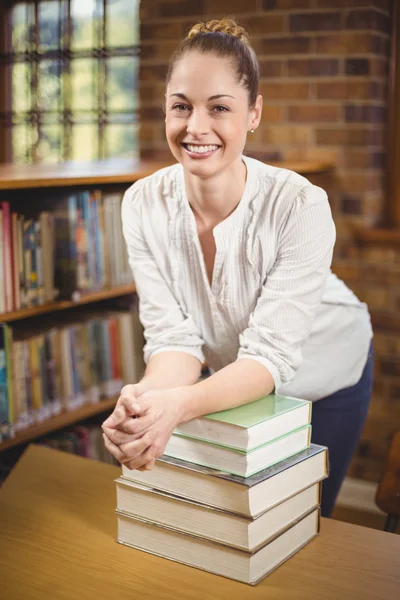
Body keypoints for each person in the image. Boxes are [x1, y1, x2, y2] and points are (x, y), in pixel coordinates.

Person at [102, 18, 373, 517]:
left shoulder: (300, 205)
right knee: (236, 523)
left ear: (253, 113)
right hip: (229, 380)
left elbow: (269, 357)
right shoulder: (142, 203)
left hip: (326, 371)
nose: (195, 127)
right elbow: (174, 341)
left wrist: (178, 405)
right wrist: (142, 403)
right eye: (181, 106)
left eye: (219, 108)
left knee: (304, 524)